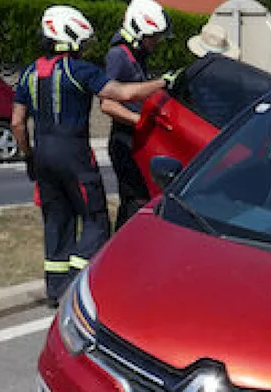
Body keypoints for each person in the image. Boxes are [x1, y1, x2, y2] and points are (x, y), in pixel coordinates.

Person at [12, 5, 171, 306]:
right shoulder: (80, 70)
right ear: (70, 39)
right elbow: (123, 94)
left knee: (56, 221)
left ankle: (56, 290)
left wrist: (29, 155)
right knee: (95, 219)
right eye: (83, 44)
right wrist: (164, 82)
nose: (85, 49)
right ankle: (79, 285)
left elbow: (17, 122)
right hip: (74, 154)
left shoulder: (28, 74)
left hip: (43, 156)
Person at [102, 0, 172, 231]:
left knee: (141, 199)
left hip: (135, 137)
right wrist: (139, 121)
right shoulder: (117, 56)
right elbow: (108, 104)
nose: (157, 42)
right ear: (138, 31)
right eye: (154, 37)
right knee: (133, 201)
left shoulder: (136, 55)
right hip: (123, 139)